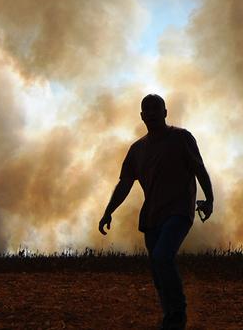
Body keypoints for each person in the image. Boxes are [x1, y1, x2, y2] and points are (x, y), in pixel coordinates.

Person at [98, 93, 214, 330]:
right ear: (142, 116)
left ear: (165, 112)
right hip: (151, 216)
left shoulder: (182, 138)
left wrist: (209, 198)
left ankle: (178, 315)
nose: (151, 113)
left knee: (163, 256)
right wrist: (108, 211)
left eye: (155, 108)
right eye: (146, 109)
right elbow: (124, 184)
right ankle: (169, 314)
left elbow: (199, 169)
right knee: (157, 269)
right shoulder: (137, 150)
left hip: (179, 211)